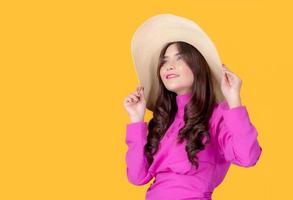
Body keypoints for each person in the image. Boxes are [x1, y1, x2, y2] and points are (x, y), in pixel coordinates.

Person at [123, 14, 262, 200]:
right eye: (164, 61)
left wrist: (234, 100)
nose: (169, 66)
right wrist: (136, 120)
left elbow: (248, 157)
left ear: (197, 65)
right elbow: (137, 177)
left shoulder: (217, 115)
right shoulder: (163, 121)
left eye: (179, 58)